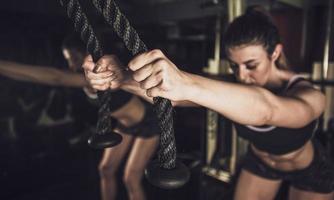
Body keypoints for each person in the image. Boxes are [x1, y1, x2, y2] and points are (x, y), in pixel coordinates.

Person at [82, 8, 334, 200]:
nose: (242, 75)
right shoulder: (232, 86)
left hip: (308, 170)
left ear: (275, 53)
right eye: (234, 66)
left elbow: (268, 111)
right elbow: (174, 96)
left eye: (251, 65)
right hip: (260, 165)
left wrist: (187, 82)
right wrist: (121, 78)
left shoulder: (308, 94)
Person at [0, 31, 160, 200]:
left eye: (73, 58)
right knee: (105, 170)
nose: (70, 65)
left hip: (148, 123)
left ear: (86, 54)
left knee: (131, 178)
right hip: (125, 125)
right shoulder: (89, 78)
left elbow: (55, 77)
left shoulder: (102, 75)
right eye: (67, 59)